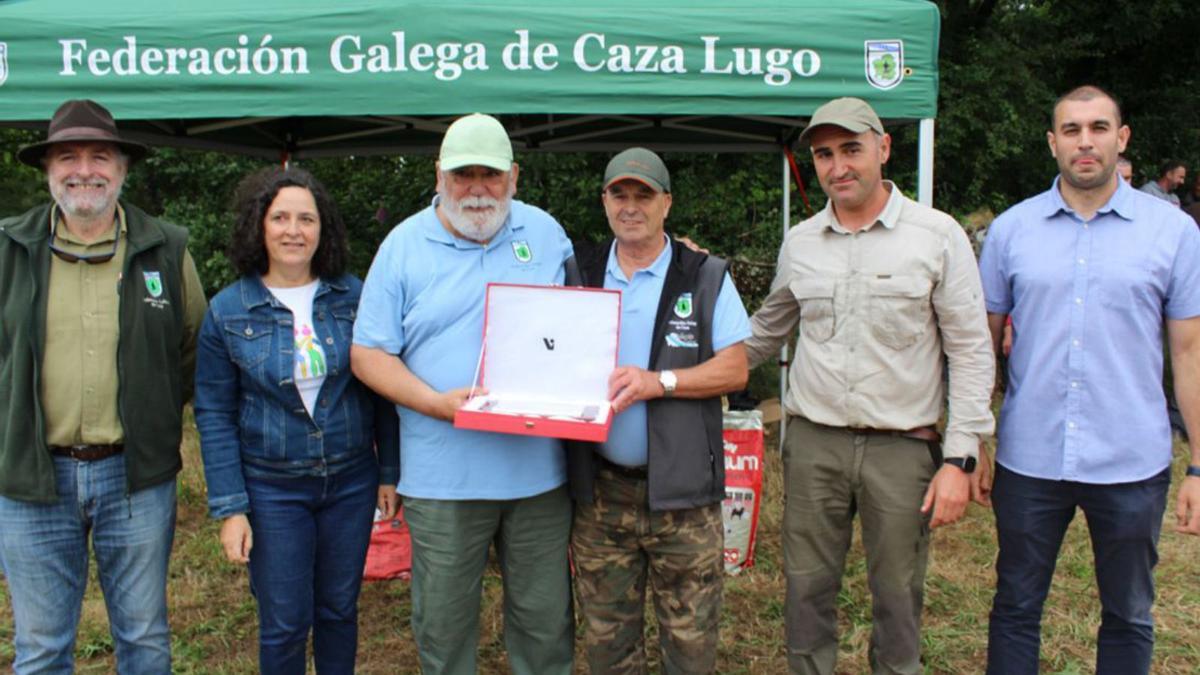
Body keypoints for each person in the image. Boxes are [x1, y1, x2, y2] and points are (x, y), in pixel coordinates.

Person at [745, 97, 995, 675]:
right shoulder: (802, 242)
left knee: (898, 596)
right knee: (805, 592)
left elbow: (970, 349)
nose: (838, 167)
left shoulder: (936, 236)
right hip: (814, 444)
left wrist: (961, 455)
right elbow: (763, 334)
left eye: (851, 149)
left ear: (884, 148)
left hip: (903, 448)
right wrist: (680, 343)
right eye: (824, 155)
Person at [979, 85, 1200, 675]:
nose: (1085, 141)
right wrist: (973, 439)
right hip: (1030, 458)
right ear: (1053, 143)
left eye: (1098, 128)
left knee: (1129, 613)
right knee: (1016, 607)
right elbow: (981, 342)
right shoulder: (1010, 231)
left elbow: (1189, 354)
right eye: (1071, 130)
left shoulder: (1173, 233)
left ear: (1121, 139)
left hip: (1132, 461)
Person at [350, 113, 575, 675]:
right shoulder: (402, 246)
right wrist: (436, 405)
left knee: (544, 622)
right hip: (443, 477)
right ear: (439, 177)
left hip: (538, 475)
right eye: (463, 174)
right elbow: (368, 354)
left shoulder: (546, 234)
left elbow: (581, 328)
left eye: (491, 175)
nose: (477, 188)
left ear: (515, 177)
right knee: (445, 626)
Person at [0, 99, 206, 673]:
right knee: (40, 648)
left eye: (99, 156)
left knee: (144, 640)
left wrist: (155, 411)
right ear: (47, 169)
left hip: (134, 476)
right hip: (31, 477)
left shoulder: (166, 247)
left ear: (122, 169)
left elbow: (191, 350)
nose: (83, 169)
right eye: (67, 156)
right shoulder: (7, 250)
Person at [193, 167, 399, 673]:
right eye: (280, 217)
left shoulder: (355, 297)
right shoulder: (228, 310)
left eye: (306, 218)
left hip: (351, 481)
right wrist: (231, 508)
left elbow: (383, 389)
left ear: (322, 228)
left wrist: (389, 472)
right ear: (258, 226)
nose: (293, 230)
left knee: (338, 610)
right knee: (284, 621)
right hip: (272, 488)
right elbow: (214, 414)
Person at [566, 148, 751, 674]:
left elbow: (735, 370)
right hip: (602, 496)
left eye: (643, 194)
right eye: (619, 194)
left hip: (684, 498)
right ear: (604, 201)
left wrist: (660, 382)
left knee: (690, 646)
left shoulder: (704, 273)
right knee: (607, 646)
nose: (630, 206)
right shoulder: (578, 270)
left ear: (666, 203)